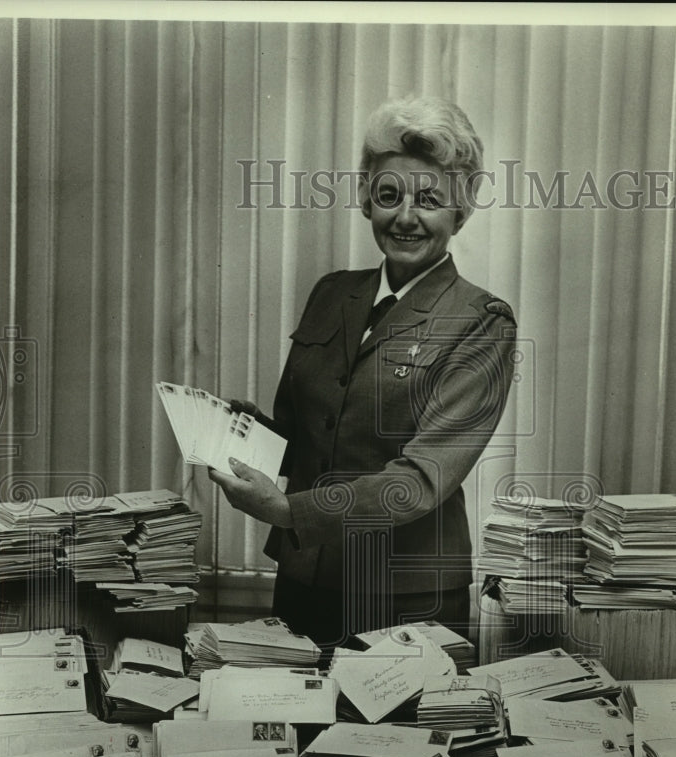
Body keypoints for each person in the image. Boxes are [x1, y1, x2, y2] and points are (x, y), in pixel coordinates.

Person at [210, 96, 516, 650]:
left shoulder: (481, 321)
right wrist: (240, 429)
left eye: (429, 200)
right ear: (364, 200)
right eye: (389, 195)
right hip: (304, 578)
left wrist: (286, 510)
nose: (405, 217)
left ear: (461, 212)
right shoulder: (332, 293)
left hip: (406, 596)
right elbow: (305, 440)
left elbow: (421, 481)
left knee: (395, 738)